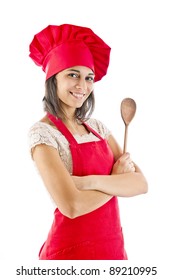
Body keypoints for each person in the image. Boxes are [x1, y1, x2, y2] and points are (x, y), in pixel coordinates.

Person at [28, 24, 148, 260]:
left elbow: (140, 184)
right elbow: (71, 206)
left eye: (89, 78)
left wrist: (85, 183)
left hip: (112, 250)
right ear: (53, 79)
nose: (82, 86)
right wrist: (115, 182)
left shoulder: (98, 128)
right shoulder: (43, 134)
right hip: (69, 255)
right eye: (72, 74)